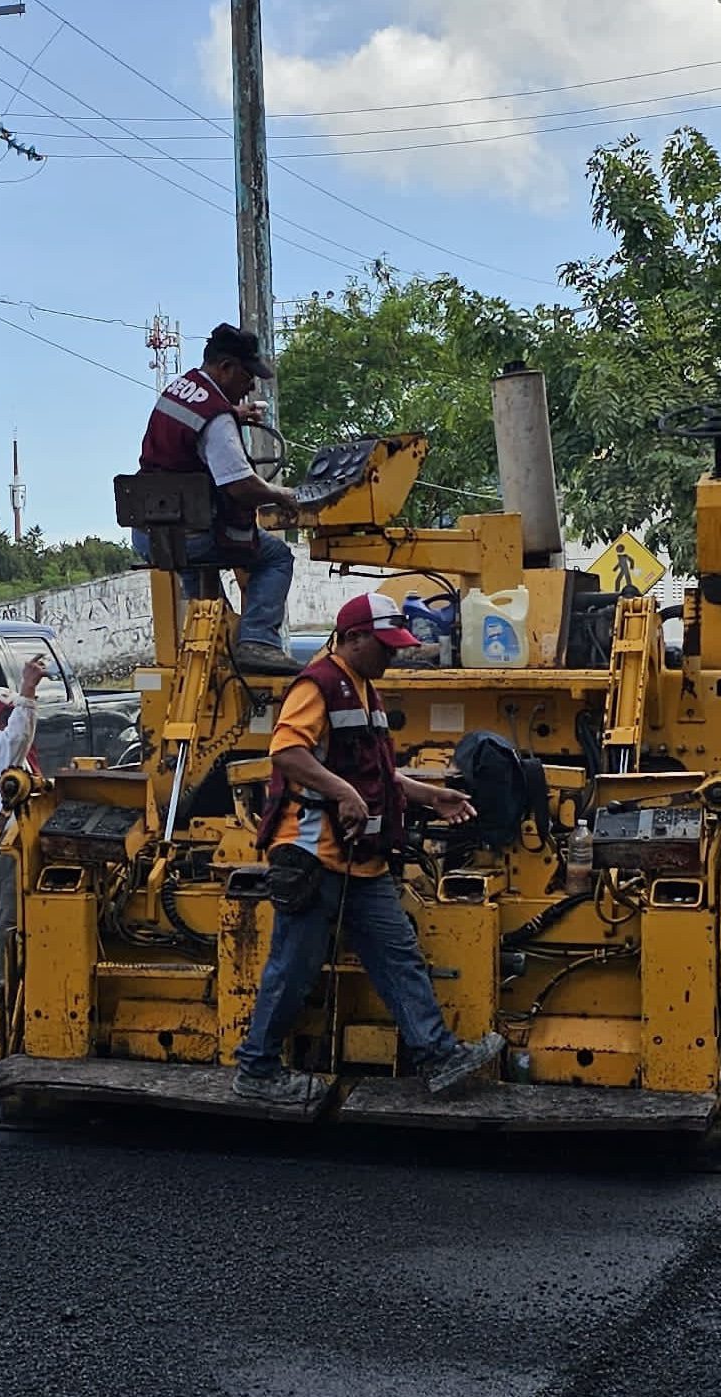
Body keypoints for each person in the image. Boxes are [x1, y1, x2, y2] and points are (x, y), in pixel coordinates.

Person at [232, 591, 504, 1108]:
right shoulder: (317, 685)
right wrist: (343, 793)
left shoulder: (362, 689)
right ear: (352, 638)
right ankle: (257, 1070)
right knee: (293, 967)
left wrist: (429, 794)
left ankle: (438, 1058)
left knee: (399, 957)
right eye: (384, 646)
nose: (393, 656)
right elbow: (286, 752)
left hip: (360, 858)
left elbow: (373, 772)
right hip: (312, 854)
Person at [134, 322, 302, 676]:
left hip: (153, 533)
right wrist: (281, 494)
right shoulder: (217, 419)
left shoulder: (180, 390)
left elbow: (192, 430)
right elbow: (240, 486)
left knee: (201, 574)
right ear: (225, 367)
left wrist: (233, 414)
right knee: (276, 557)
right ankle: (257, 641)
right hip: (195, 536)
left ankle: (221, 643)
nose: (251, 386)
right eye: (247, 375)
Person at [0, 654, 46, 994]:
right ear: (1, 717)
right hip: (3, 843)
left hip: (7, 841)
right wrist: (28, 689)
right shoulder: (0, 746)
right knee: (6, 922)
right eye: (11, 711)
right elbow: (19, 734)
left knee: (15, 921)